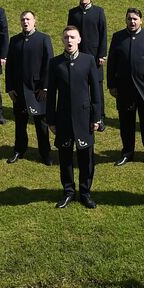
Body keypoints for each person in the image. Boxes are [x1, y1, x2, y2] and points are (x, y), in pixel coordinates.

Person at [47, 25, 105, 208]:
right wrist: (51, 120)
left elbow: (96, 92)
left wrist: (96, 118)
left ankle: (85, 192)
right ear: (62, 41)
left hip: (84, 119)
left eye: (72, 37)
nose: (69, 40)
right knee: (65, 158)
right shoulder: (55, 63)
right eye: (66, 38)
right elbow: (51, 95)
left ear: (79, 40)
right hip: (63, 119)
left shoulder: (88, 61)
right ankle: (68, 192)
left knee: (86, 158)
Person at [107, 7, 144, 166]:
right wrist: (111, 84)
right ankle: (127, 153)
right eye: (129, 19)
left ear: (141, 21)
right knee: (126, 123)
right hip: (124, 89)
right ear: (126, 20)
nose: (132, 22)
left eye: (135, 19)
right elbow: (111, 62)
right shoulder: (118, 37)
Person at [6, 10, 53, 165]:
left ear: (35, 21)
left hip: (37, 90)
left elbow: (48, 64)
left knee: (41, 124)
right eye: (23, 20)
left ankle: (45, 153)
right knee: (20, 123)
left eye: (28, 19)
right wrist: (10, 87)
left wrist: (45, 87)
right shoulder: (14, 40)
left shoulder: (43, 39)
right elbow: (10, 66)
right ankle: (19, 149)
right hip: (19, 90)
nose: (25, 22)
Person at [67, 0, 108, 76]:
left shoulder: (99, 12)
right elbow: (69, 33)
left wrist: (102, 54)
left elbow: (103, 32)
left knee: (96, 82)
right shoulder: (73, 13)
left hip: (94, 54)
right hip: (78, 52)